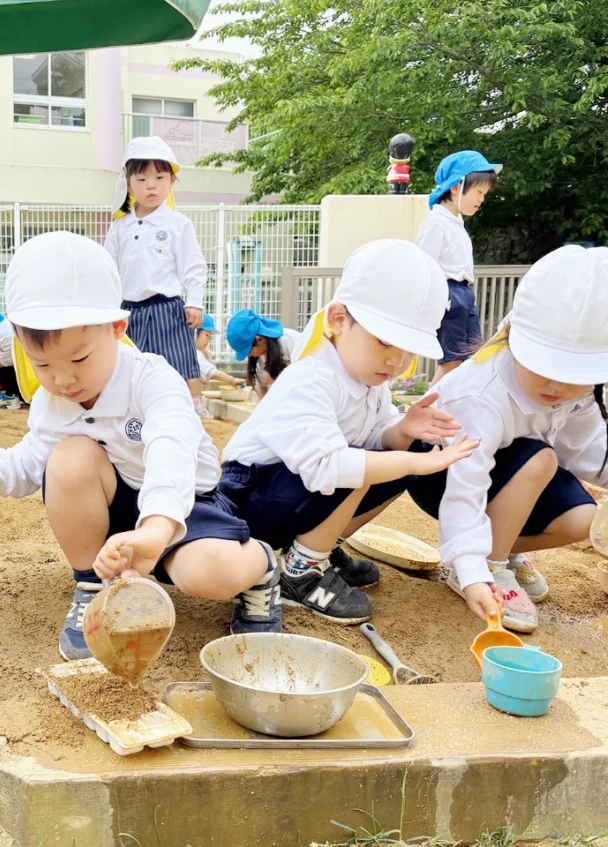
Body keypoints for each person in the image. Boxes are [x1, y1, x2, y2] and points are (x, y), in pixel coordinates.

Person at [0, 232, 281, 661]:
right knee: (67, 458)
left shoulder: (152, 378)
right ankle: (94, 585)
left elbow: (171, 449)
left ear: (117, 328)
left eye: (80, 359)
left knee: (208, 574)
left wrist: (157, 528)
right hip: (119, 498)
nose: (63, 380)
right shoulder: (55, 400)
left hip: (183, 499)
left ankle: (262, 566)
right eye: (43, 365)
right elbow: (37, 452)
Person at [218, 240, 479, 624]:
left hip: (292, 492)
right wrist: (412, 461)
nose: (397, 360)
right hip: (250, 497)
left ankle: (320, 547)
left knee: (400, 454)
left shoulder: (371, 379)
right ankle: (301, 571)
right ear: (339, 319)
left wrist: (403, 431)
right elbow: (329, 466)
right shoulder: (311, 379)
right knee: (360, 462)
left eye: (409, 350)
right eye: (385, 341)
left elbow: (377, 438)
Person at [409, 246, 608, 633]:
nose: (557, 384)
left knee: (588, 519)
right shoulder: (481, 394)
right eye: (544, 365)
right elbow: (466, 488)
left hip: (511, 476)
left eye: (575, 372)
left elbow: (584, 449)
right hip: (442, 475)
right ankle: (488, 564)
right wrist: (470, 567)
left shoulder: (577, 393)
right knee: (541, 460)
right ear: (512, 334)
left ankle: (504, 547)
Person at [103, 137, 209, 415]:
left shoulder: (177, 224)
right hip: (128, 312)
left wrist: (194, 301)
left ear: (172, 181)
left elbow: (194, 265)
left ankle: (193, 407)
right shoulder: (120, 227)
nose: (151, 185)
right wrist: (106, 307)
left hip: (167, 307)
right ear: (128, 183)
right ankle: (135, 409)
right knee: (129, 363)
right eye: (141, 179)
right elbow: (108, 268)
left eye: (159, 177)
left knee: (180, 359)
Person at [416, 150, 502, 385]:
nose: (481, 199)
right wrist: (437, 301)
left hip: (463, 294)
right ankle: (427, 410)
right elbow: (424, 266)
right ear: (456, 187)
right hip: (448, 295)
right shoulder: (436, 223)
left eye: (485, 193)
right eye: (479, 192)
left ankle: (453, 412)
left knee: (472, 358)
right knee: (451, 363)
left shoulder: (455, 222)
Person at [225, 309, 302, 400]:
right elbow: (260, 388)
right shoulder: (260, 355)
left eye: (249, 351)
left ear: (260, 339)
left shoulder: (289, 342)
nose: (249, 356)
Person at [195, 313, 246, 390]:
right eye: (207, 335)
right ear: (194, 333)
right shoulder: (192, 353)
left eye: (210, 337)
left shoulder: (197, 353)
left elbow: (206, 380)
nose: (208, 340)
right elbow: (212, 373)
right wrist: (232, 380)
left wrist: (208, 355)